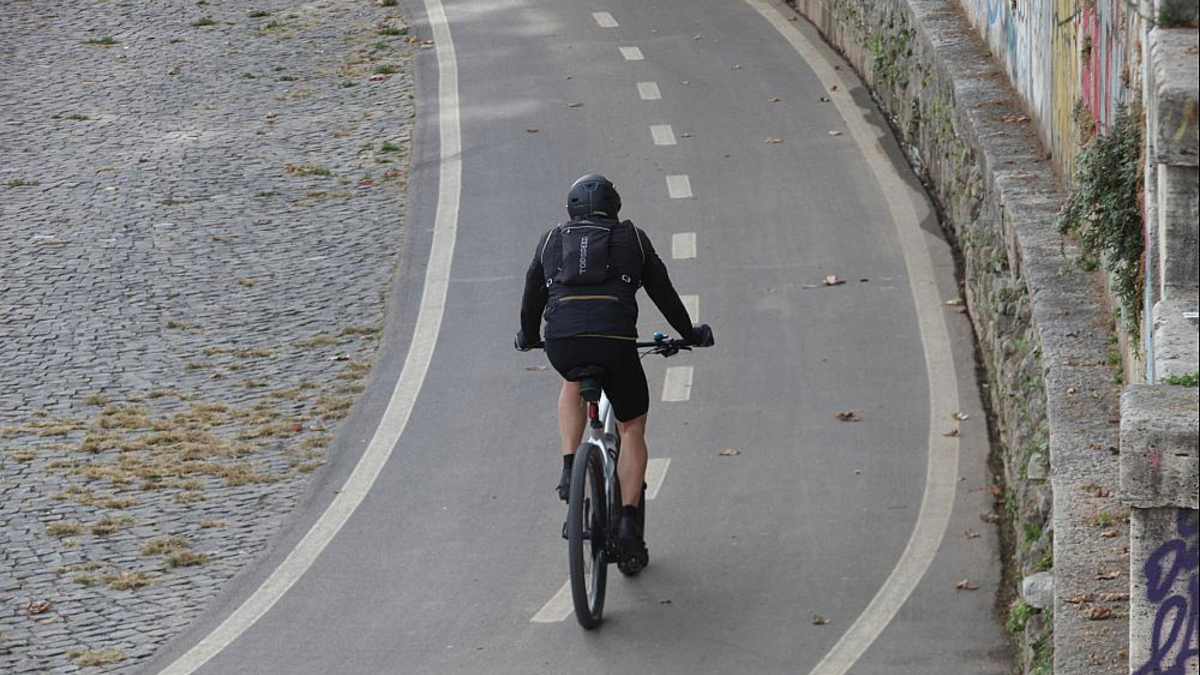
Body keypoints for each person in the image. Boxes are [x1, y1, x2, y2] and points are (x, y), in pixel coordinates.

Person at [516, 173, 713, 558]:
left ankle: (570, 464)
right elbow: (664, 293)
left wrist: (527, 335)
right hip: (615, 343)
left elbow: (531, 294)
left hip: (563, 343)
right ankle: (626, 523)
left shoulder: (551, 239)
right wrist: (688, 333)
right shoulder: (634, 238)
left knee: (573, 381)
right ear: (615, 206)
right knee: (632, 425)